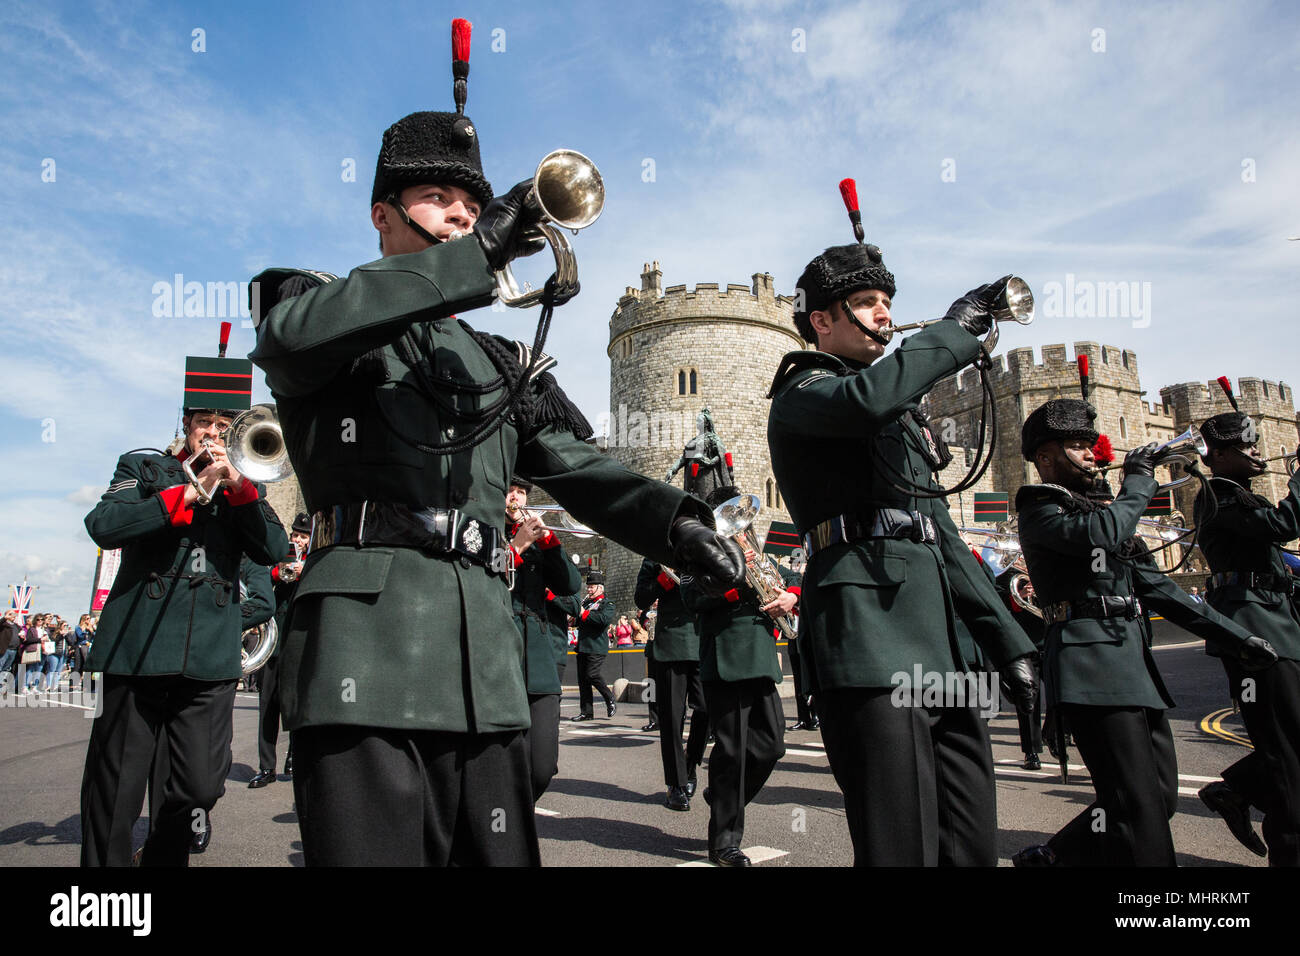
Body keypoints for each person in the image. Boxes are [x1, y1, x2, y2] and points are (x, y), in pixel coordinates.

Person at [246, 19, 742, 867]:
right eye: (443, 201)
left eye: (475, 209)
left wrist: (680, 525)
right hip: (366, 658)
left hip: (482, 666)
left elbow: (580, 469)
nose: (464, 219)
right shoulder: (320, 306)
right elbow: (290, 340)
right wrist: (473, 253)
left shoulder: (501, 361)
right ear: (382, 214)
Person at [766, 227, 1038, 866]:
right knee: (901, 847)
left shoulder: (894, 412)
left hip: (942, 649)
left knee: (969, 844)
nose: (885, 312)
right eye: (865, 301)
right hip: (869, 639)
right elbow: (865, 400)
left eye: (888, 298)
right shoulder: (804, 393)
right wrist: (949, 331)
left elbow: (939, 534)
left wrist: (1010, 645)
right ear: (822, 322)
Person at [1011, 399, 1276, 866]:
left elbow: (1157, 588)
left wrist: (1237, 637)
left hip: (1133, 663)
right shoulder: (1041, 505)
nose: (1092, 454)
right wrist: (1138, 480)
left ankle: (1051, 858)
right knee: (1137, 806)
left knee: (1159, 795)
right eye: (1077, 446)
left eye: (1091, 445)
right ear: (1046, 459)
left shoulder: (1105, 512)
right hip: (1089, 663)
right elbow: (1102, 536)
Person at [79, 327, 287, 867]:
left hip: (209, 663)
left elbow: (274, 550)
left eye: (225, 426)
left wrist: (240, 495)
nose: (214, 436)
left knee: (198, 788)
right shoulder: (145, 468)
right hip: (139, 651)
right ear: (187, 425)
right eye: (205, 424)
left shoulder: (248, 488)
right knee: (117, 795)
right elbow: (103, 523)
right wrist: (185, 492)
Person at [1193, 408, 1300, 865]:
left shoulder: (1241, 492)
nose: (1257, 451)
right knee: (1285, 754)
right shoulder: (1218, 494)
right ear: (1217, 455)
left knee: (1293, 743)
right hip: (1253, 628)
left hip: (1278, 620)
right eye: (1246, 445)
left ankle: (1236, 789)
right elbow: (1284, 526)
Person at [681, 491, 793, 866]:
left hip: (760, 657)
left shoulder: (757, 552)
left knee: (772, 745)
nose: (740, 526)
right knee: (730, 752)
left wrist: (787, 596)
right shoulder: (702, 553)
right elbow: (693, 598)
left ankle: (723, 796)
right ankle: (724, 842)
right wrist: (736, 580)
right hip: (726, 656)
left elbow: (786, 582)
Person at [504, 478, 582, 801]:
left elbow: (570, 585)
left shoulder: (540, 542)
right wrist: (515, 548)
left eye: (521, 492)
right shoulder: (484, 528)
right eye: (511, 490)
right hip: (501, 654)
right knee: (505, 761)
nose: (516, 497)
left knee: (543, 765)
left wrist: (550, 542)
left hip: (539, 658)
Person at [636, 558, 708, 810]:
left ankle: (690, 763)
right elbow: (641, 599)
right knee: (672, 718)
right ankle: (675, 784)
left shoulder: (704, 545)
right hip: (672, 642)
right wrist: (666, 576)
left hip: (703, 637)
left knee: (706, 709)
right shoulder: (654, 556)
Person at [249, 513, 311, 789]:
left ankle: (294, 755)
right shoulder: (280, 554)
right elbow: (260, 579)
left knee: (297, 704)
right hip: (275, 639)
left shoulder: (316, 558)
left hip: (301, 638)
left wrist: (304, 571)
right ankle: (266, 767)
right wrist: (278, 573)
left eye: (302, 535)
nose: (297, 539)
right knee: (268, 704)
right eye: (295, 534)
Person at [572, 571, 617, 721]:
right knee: (583, 680)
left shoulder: (607, 604)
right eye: (588, 587)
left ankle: (609, 697)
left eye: (592, 587)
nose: (589, 590)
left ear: (601, 588)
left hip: (597, 646)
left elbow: (603, 619)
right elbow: (578, 621)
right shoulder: (585, 603)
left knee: (592, 674)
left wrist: (584, 613)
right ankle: (586, 712)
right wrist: (573, 618)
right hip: (583, 645)